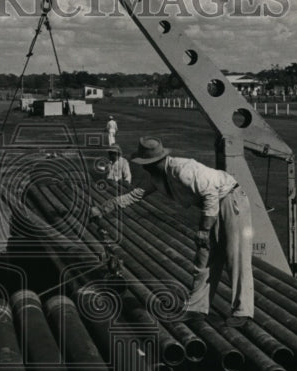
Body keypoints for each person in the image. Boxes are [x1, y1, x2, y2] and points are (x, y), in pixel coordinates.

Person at [92, 137, 253, 326]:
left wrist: (203, 230)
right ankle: (197, 308)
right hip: (214, 205)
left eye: (146, 164)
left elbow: (210, 194)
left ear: (156, 162)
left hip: (230, 200)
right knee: (205, 257)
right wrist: (103, 208)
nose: (144, 168)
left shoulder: (182, 169)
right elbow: (134, 195)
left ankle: (242, 311)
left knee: (235, 255)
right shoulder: (156, 177)